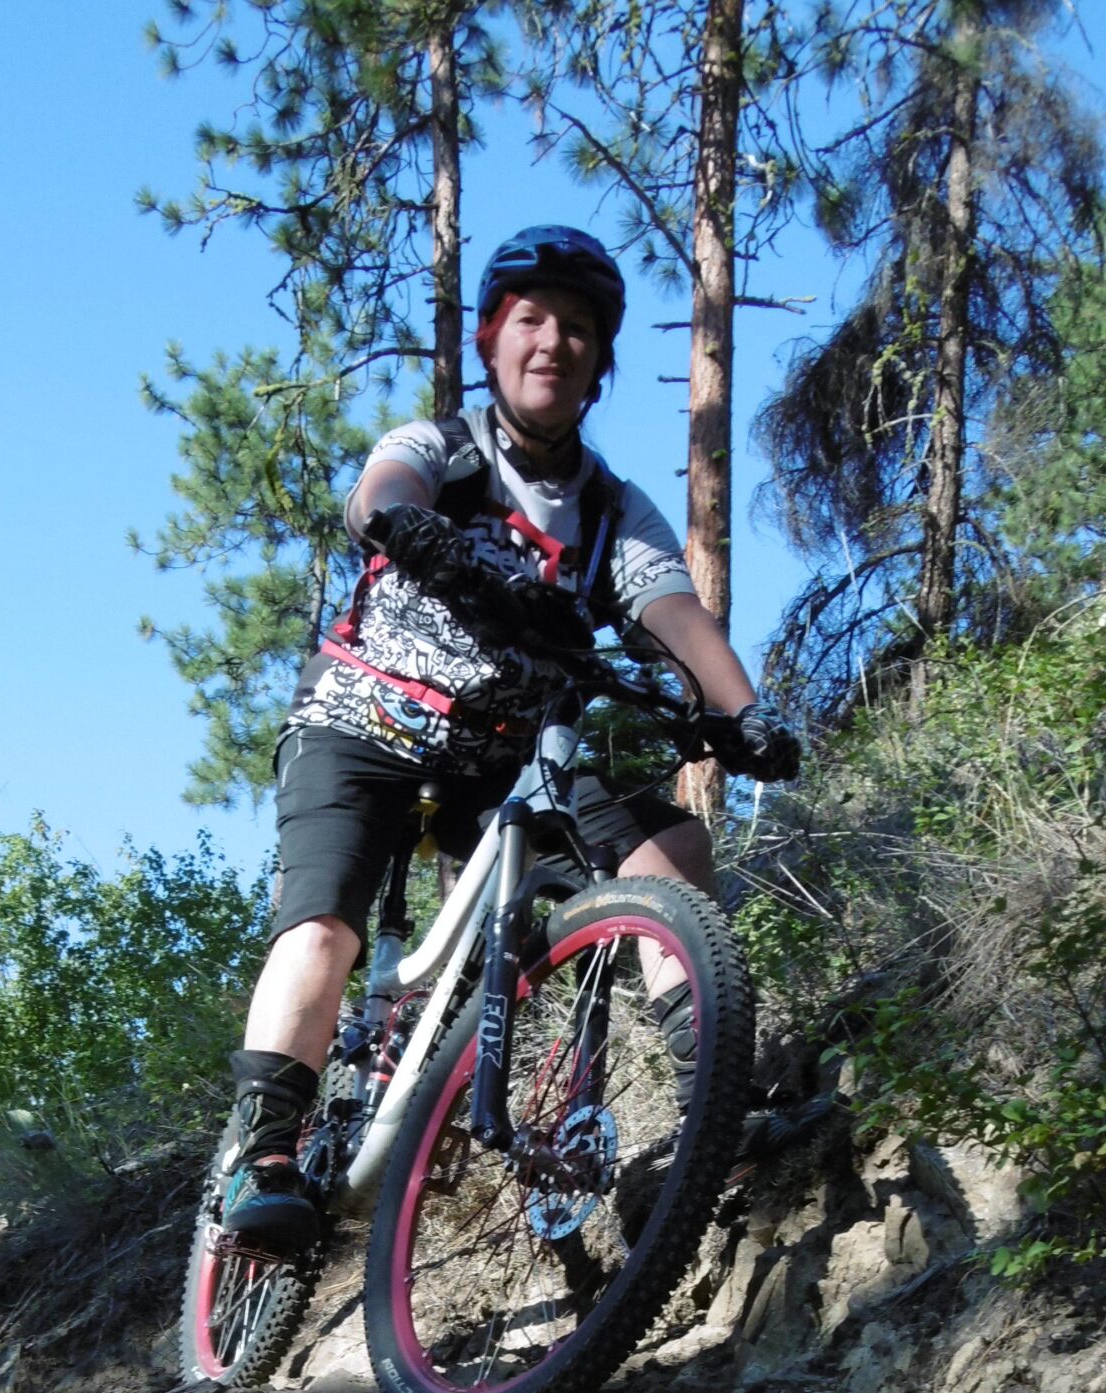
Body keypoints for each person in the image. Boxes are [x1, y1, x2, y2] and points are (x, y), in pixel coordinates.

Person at [219, 223, 800, 1255]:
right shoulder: (443, 446)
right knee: (323, 931)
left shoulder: (615, 512)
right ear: (492, 341)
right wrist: (416, 528)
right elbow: (381, 490)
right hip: (364, 722)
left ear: (600, 363)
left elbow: (677, 617)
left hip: (504, 761)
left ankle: (714, 1097)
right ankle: (263, 1154)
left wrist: (741, 713)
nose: (553, 343)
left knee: (674, 852)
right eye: (531, 321)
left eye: (579, 329)